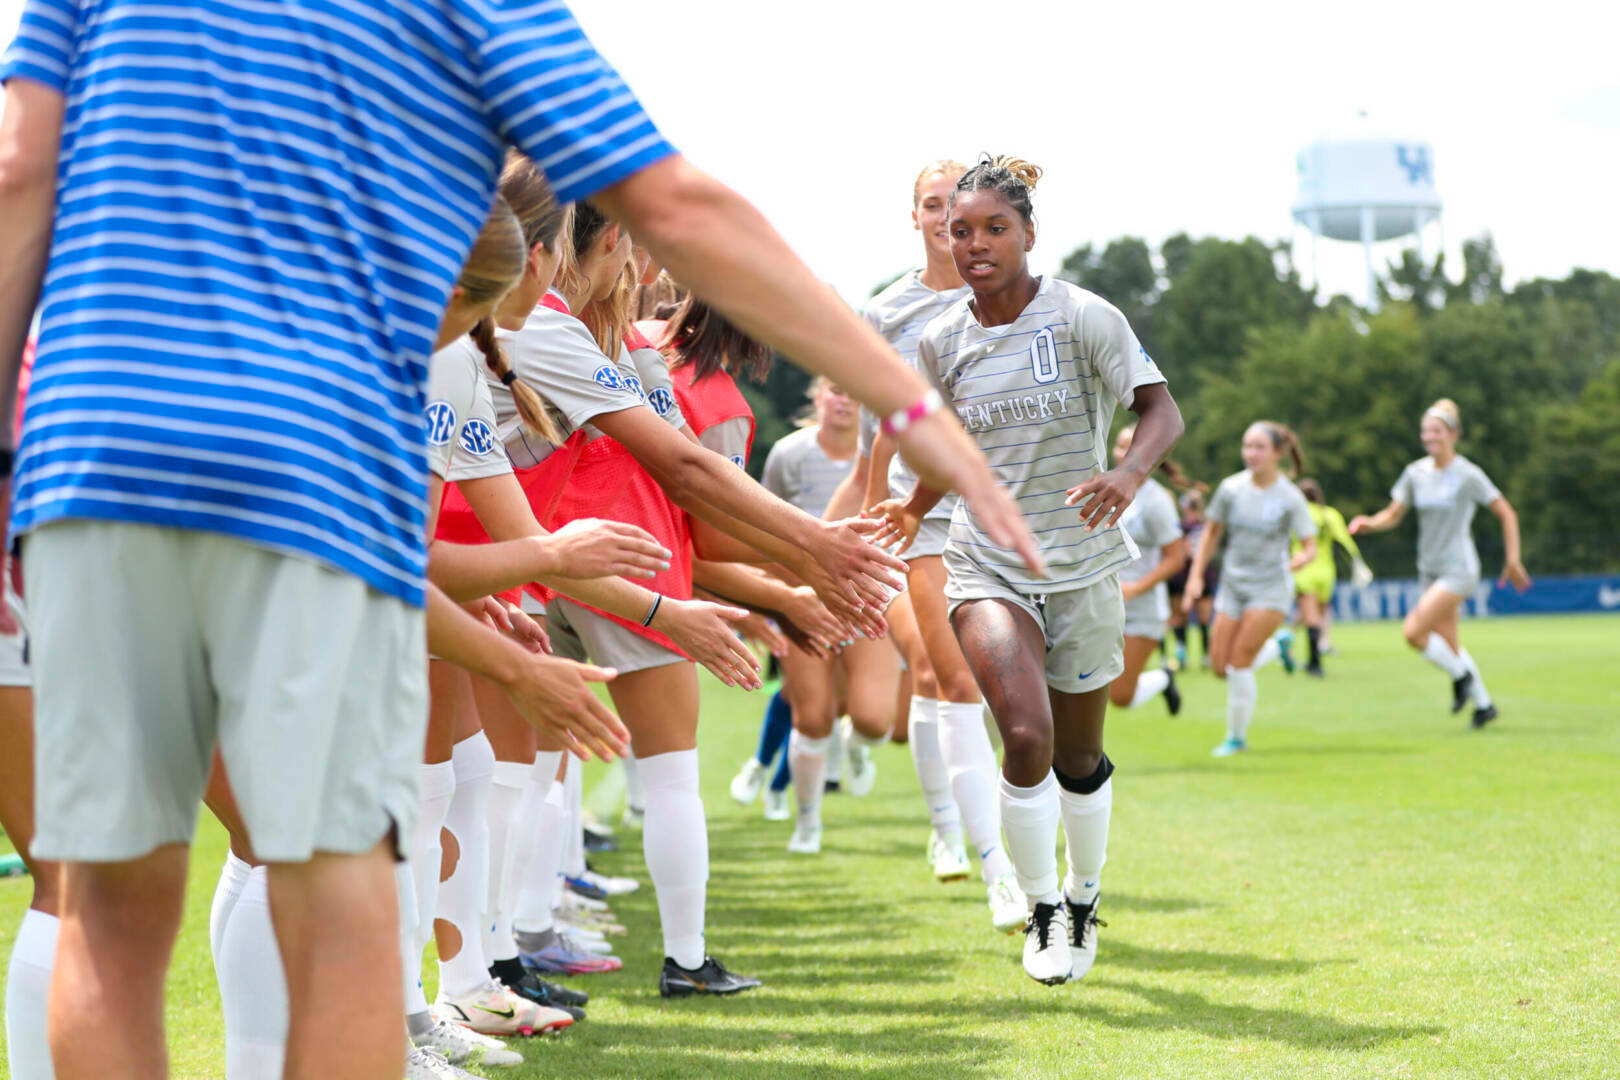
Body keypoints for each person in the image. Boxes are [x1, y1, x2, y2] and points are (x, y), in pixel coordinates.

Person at [872, 156, 1184, 986]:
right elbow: (948, 445)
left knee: (1079, 759)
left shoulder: (1084, 316)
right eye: (958, 230)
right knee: (1024, 735)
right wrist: (911, 505)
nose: (972, 242)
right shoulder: (940, 341)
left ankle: (1083, 897)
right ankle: (1041, 910)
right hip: (986, 565)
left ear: (1028, 235)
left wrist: (1127, 475)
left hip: (1081, 567)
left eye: (992, 228)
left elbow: (1162, 409)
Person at [826, 158, 1024, 930]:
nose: (948, 218)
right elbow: (876, 440)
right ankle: (994, 866)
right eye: (934, 205)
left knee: (957, 686)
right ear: (915, 218)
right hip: (922, 514)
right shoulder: (886, 315)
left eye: (959, 206)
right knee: (955, 671)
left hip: (1004, 508)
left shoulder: (1014, 299)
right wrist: (871, 534)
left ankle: (955, 824)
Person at [759, 379, 897, 855]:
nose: (845, 398)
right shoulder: (788, 454)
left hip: (865, 598)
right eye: (835, 389)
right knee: (813, 716)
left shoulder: (886, 450)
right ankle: (808, 821)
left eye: (854, 390)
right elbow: (762, 527)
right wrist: (781, 594)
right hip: (802, 596)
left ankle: (855, 747)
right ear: (817, 395)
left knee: (877, 721)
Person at [1349, 398, 1529, 727]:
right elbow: (1393, 514)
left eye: (1437, 430)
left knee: (1414, 632)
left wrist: (1513, 559)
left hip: (1459, 568)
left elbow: (1506, 512)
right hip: (1428, 568)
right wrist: (1369, 523)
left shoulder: (1468, 474)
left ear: (1454, 434)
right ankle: (1484, 705)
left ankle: (1461, 677)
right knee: (1448, 645)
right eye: (1425, 431)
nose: (1430, 436)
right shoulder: (1414, 473)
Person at [1183, 423, 1318, 757]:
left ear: (1277, 453)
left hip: (1271, 587)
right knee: (1219, 667)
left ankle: (1236, 737)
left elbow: (1310, 545)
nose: (1251, 454)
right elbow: (1211, 534)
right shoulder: (1231, 489)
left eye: (1259, 447)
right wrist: (1196, 577)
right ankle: (1277, 646)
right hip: (1233, 584)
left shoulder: (1290, 496)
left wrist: (1303, 557)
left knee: (1240, 661)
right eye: (1247, 446)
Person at [1106, 426, 1189, 716]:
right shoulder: (1103, 487)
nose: (1124, 453)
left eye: (1133, 446)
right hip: (1101, 603)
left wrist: (1136, 587)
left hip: (1141, 608)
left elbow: (1176, 558)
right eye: (1120, 446)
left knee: (1120, 696)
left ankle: (1163, 678)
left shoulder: (1158, 501)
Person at [1290, 478, 1372, 677]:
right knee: (1318, 615)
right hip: (1326, 572)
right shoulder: (1330, 515)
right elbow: (1346, 542)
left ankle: (1313, 662)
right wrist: (1358, 562)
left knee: (1309, 618)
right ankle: (1311, 654)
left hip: (1304, 568)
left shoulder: (1297, 515)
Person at [1167, 488, 1216, 670]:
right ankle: (1205, 657)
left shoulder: (1180, 527)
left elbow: (1185, 551)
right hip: (1203, 574)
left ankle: (1183, 656)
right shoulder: (1206, 525)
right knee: (1203, 618)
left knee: (1180, 618)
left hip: (1184, 575)